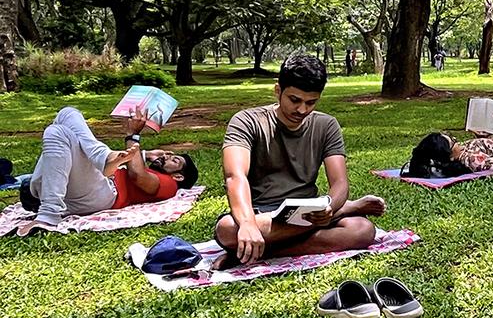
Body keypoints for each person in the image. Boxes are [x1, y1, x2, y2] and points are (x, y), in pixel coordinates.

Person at [214, 55, 386, 265]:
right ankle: (347, 209)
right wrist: (248, 223)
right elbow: (235, 176)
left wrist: (330, 207)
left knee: (363, 231)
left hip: (309, 210)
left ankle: (259, 252)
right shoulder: (246, 121)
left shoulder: (326, 125)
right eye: (294, 100)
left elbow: (340, 182)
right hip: (262, 214)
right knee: (227, 230)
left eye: (311, 102)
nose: (302, 110)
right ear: (278, 91)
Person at [15, 106, 199, 236]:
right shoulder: (153, 169)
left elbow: (137, 175)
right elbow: (134, 167)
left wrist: (133, 135)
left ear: (178, 176)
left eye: (175, 160)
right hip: (85, 185)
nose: (167, 157)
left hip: (102, 197)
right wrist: (146, 155)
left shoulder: (170, 185)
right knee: (67, 114)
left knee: (57, 133)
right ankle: (102, 157)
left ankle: (49, 215)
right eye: (169, 155)